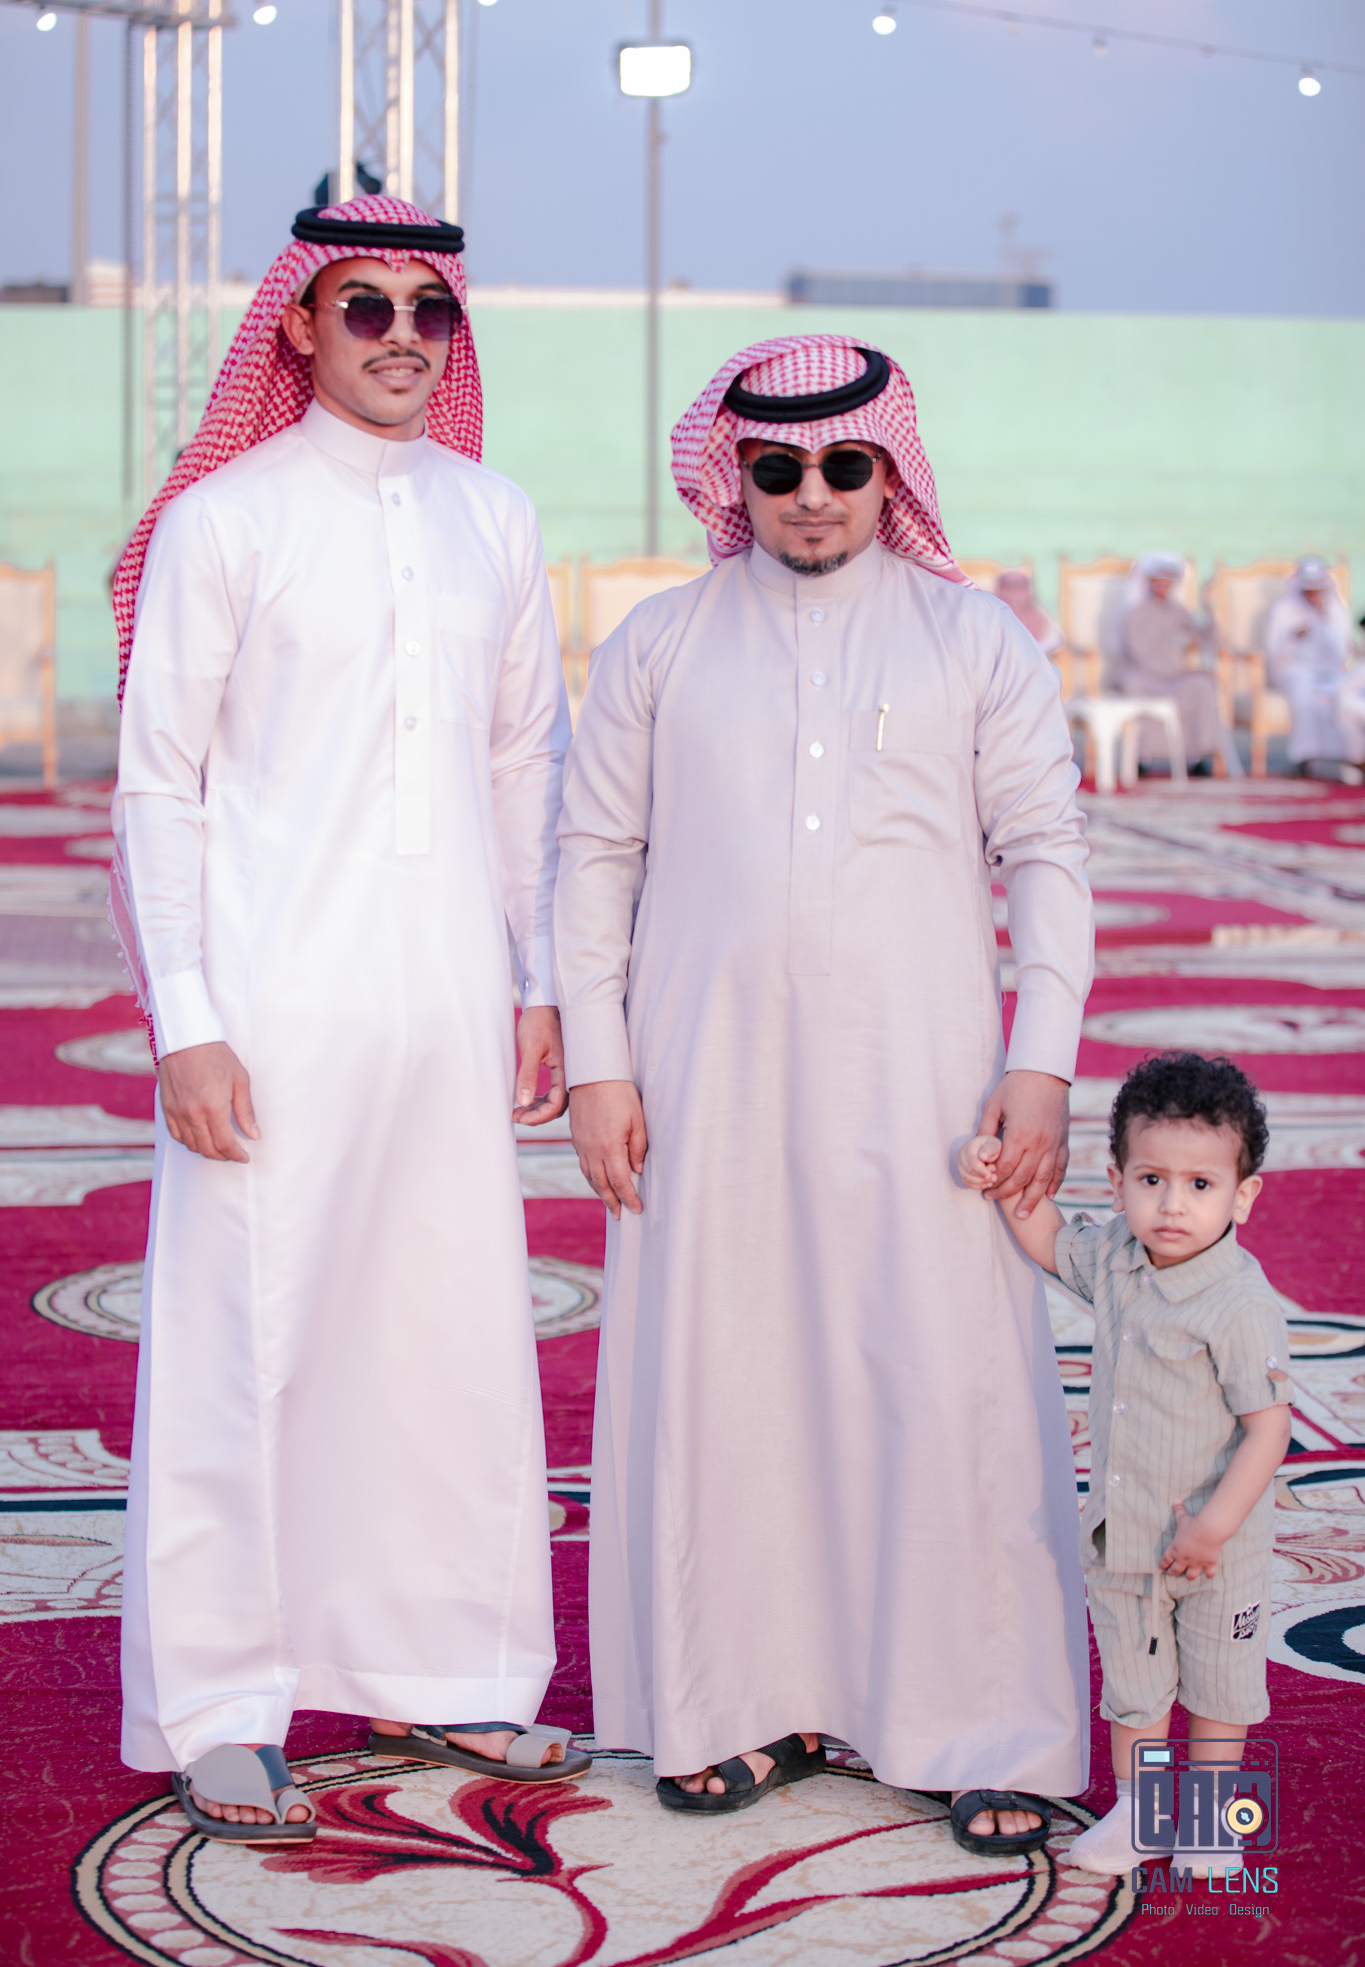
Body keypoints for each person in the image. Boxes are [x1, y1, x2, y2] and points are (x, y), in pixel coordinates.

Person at [553, 335, 1094, 1853]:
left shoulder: (974, 640)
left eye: (844, 464)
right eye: (777, 467)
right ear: (733, 472)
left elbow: (1045, 851)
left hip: (927, 1085)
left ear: (888, 468)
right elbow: (591, 858)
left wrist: (1042, 1055)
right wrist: (596, 1062)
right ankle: (736, 1702)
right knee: (724, 1377)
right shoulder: (659, 643)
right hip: (699, 1079)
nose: (811, 494)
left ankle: (990, 1726)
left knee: (945, 1379)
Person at [111, 194, 586, 1844]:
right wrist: (186, 1015)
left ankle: (443, 1667)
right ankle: (222, 1701)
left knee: (443, 1334)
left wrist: (535, 978)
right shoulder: (223, 519)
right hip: (270, 1004)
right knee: (247, 1340)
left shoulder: (494, 517)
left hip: (449, 996)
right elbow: (158, 781)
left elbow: (526, 760)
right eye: (363, 306)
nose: (400, 337)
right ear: (300, 326)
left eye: (426, 310)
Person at [959, 1051, 1292, 1879]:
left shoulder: (1239, 1304)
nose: (1172, 1204)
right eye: (1151, 1180)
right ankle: (1141, 1815)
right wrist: (994, 1171)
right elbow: (1045, 1240)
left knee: (1215, 1691)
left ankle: (1209, 1823)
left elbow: (1267, 1430)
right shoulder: (1115, 1257)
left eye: (1200, 1184)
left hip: (1216, 1550)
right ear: (1116, 1184)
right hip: (1126, 1538)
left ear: (1242, 1196)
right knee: (1135, 1693)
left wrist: (1213, 1528)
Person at [1112, 551, 1222, 773]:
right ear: (1149, 581)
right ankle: (1141, 756)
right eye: (1159, 579)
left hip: (1174, 677)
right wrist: (1177, 671)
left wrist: (1208, 605)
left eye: (1169, 580)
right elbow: (1136, 653)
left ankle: (1197, 757)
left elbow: (1206, 637)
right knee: (1133, 685)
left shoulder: (1178, 610)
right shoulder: (1135, 611)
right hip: (1145, 676)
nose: (1164, 585)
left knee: (1201, 685)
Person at [1264, 557, 1364, 774]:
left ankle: (1348, 756)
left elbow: (1343, 650)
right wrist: (1294, 636)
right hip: (1294, 670)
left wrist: (1323, 619)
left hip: (1331, 671)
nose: (1313, 595)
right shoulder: (1284, 609)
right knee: (1304, 692)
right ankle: (1306, 757)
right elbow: (1273, 649)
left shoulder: (1336, 609)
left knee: (1342, 695)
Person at [995, 566, 1064, 656]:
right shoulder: (990, 614)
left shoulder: (1039, 615)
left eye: (1018, 589)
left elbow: (1055, 641)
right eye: (1008, 589)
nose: (1013, 596)